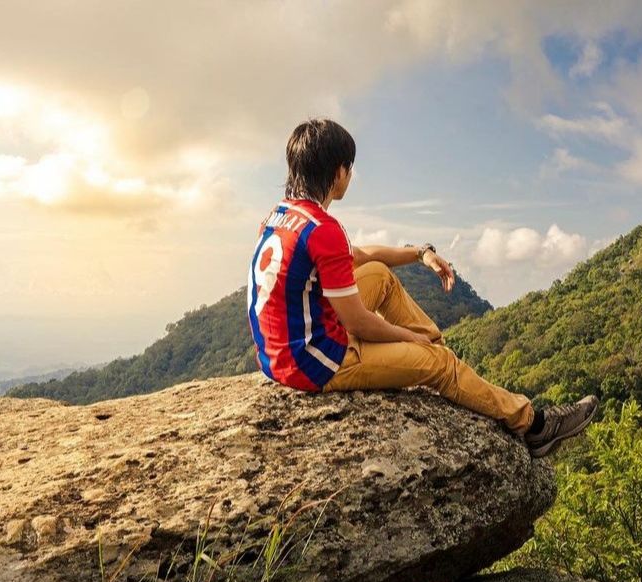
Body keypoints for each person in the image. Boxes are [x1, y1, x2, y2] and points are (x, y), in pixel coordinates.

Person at [247, 118, 597, 457]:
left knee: (379, 275)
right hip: (316, 363)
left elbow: (361, 256)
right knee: (440, 364)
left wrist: (421, 254)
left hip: (280, 352)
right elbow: (358, 324)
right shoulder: (323, 228)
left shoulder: (281, 216)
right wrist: (407, 338)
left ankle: (438, 359)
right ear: (339, 172)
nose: (350, 176)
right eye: (349, 168)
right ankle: (533, 425)